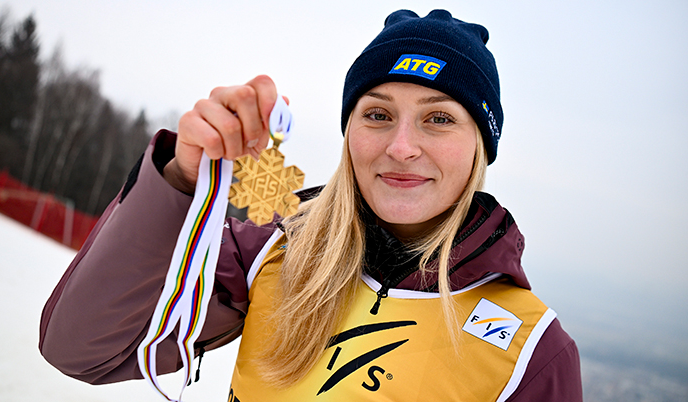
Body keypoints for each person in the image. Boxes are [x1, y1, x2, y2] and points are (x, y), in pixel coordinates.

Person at [39, 9, 582, 401]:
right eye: (377, 114)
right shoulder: (273, 252)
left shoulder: (532, 352)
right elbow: (82, 348)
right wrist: (180, 178)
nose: (400, 146)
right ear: (348, 132)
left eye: (439, 118)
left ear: (479, 148)